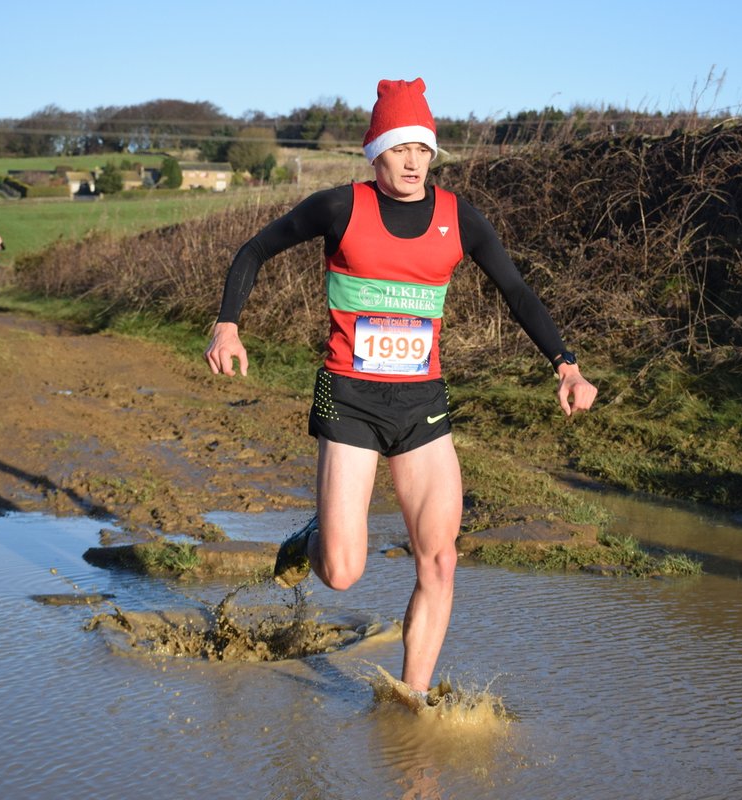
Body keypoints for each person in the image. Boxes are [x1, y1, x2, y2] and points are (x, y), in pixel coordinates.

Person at [204, 78, 597, 697]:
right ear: (376, 153)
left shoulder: (457, 217)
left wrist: (566, 365)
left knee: (439, 559)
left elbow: (517, 291)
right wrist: (227, 325)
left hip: (422, 405)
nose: (414, 161)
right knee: (340, 571)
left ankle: (410, 697)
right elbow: (255, 250)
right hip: (350, 399)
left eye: (424, 149)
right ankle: (310, 540)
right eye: (400, 148)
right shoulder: (339, 207)